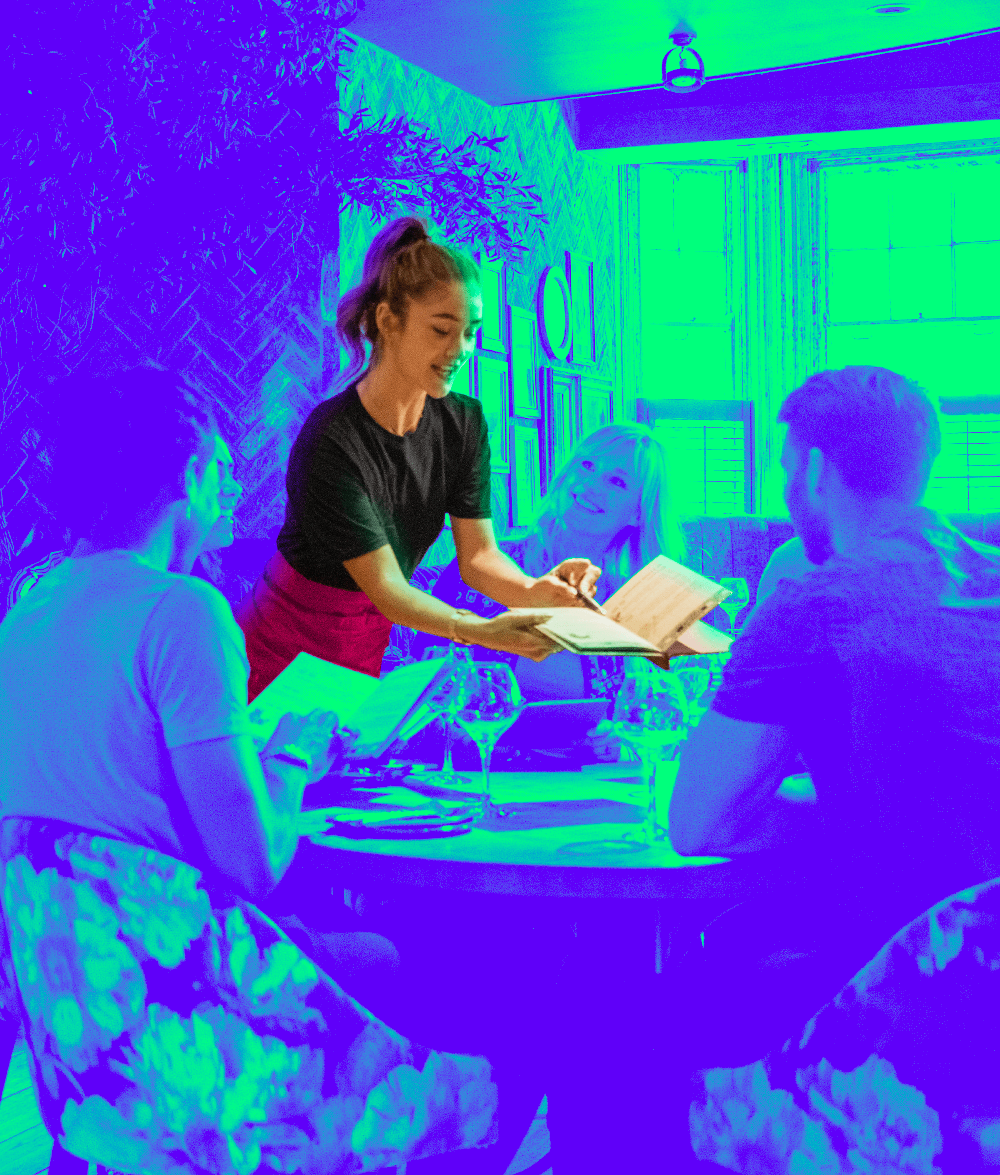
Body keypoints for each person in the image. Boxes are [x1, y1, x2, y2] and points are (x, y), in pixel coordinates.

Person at [0, 366, 506, 1174]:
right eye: (228, 467)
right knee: (430, 953)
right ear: (194, 475)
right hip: (198, 1033)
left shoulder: (31, 608)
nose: (236, 488)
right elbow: (252, 867)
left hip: (92, 1041)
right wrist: (295, 752)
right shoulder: (180, 611)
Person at [551, 364, 1000, 1172]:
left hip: (899, 993)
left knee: (600, 1020)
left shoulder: (814, 598)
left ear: (813, 471)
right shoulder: (986, 571)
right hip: (982, 975)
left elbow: (695, 823)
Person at [236, 215, 599, 701]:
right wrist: (482, 630)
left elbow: (479, 557)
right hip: (277, 656)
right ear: (388, 321)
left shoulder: (463, 422)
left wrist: (537, 593)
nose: (462, 350)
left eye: (471, 332)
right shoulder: (332, 438)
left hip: (362, 653)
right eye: (442, 331)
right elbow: (387, 588)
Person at [406, 421, 688, 703]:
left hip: (581, 749)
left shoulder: (634, 603)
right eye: (587, 465)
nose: (589, 484)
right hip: (478, 743)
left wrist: (615, 740)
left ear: (638, 514)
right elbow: (422, 676)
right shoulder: (483, 565)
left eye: (617, 481)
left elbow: (645, 708)